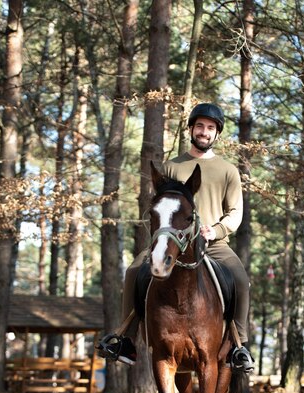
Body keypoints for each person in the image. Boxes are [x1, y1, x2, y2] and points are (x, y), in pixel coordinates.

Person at [97, 102, 254, 373]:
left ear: (216, 134)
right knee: (134, 271)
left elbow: (235, 213)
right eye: (200, 126)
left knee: (240, 279)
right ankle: (126, 340)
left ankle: (239, 346)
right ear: (191, 129)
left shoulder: (228, 171)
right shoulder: (171, 168)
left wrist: (213, 230)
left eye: (210, 128)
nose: (204, 132)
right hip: (172, 242)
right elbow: (159, 208)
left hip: (212, 244)